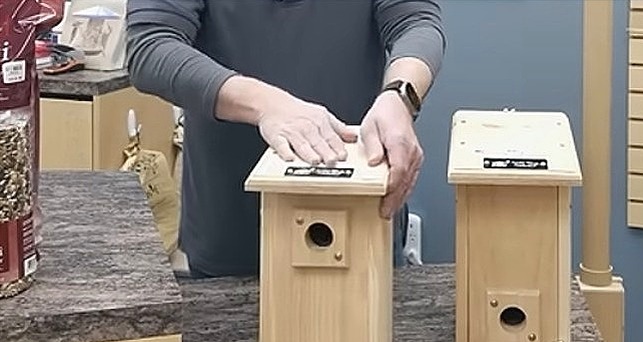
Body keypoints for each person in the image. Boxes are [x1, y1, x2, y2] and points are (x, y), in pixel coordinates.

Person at [125, 0, 446, 277]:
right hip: (231, 236)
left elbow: (415, 22)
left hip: (363, 229)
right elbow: (152, 44)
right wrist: (266, 104)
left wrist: (400, 96)